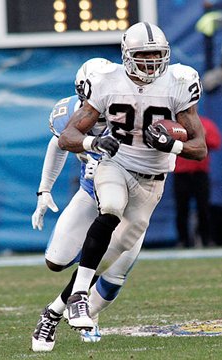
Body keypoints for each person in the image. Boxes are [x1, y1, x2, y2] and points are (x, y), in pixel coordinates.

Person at [58, 21, 208, 330]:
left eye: (157, 55)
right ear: (127, 55)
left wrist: (173, 144)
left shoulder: (180, 82)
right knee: (110, 208)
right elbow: (67, 136)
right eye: (144, 55)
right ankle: (78, 298)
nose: (152, 62)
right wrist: (94, 142)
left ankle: (58, 306)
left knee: (117, 250)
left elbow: (200, 148)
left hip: (152, 179)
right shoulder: (105, 81)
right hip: (116, 163)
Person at [31, 58, 145, 352]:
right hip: (89, 194)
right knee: (56, 261)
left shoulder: (136, 108)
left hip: (132, 202)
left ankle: (65, 314)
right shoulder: (70, 111)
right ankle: (61, 309)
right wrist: (44, 190)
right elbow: (58, 143)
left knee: (112, 273)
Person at [173, 115, 222, 248]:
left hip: (200, 173)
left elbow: (216, 142)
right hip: (181, 173)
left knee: (203, 207)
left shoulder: (205, 123)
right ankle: (183, 240)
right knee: (181, 208)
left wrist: (202, 137)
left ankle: (206, 239)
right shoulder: (176, 126)